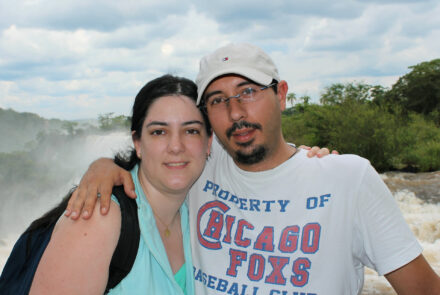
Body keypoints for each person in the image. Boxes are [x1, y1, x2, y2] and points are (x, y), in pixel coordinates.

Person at [66, 43, 440, 294]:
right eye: (217, 100)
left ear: (281, 94)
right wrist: (103, 168)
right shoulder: (197, 169)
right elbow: (149, 166)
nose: (236, 112)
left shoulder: (348, 178)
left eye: (248, 92)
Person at [29, 75, 213, 294]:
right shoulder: (100, 217)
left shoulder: (201, 210)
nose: (176, 146)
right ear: (138, 143)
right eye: (159, 132)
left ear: (209, 142)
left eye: (191, 131)